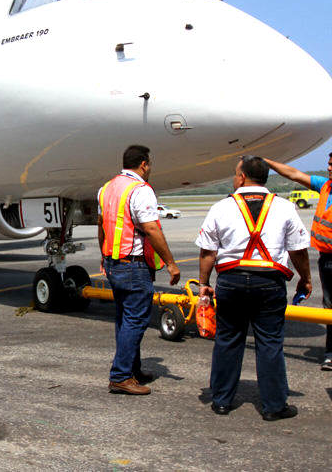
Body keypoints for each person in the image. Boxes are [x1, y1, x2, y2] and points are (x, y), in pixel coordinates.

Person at [196, 156, 311, 420]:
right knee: (270, 343)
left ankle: (222, 401)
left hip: (232, 281)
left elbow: (207, 252)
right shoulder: (284, 207)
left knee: (228, 340)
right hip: (269, 282)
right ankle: (274, 406)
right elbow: (298, 250)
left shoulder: (221, 207)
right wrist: (305, 278)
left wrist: (204, 284)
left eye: (236, 174)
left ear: (242, 178)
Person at [264, 149, 332, 371]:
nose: (328, 168)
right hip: (326, 259)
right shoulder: (325, 186)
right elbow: (294, 174)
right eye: (328, 164)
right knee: (330, 308)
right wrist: (267, 161)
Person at [98, 145, 180, 395]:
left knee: (124, 319)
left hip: (114, 262)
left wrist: (104, 255)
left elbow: (101, 226)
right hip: (133, 264)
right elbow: (152, 229)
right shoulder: (140, 190)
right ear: (143, 164)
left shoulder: (106, 188)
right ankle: (121, 376)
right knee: (136, 319)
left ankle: (132, 369)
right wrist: (170, 263)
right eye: (150, 165)